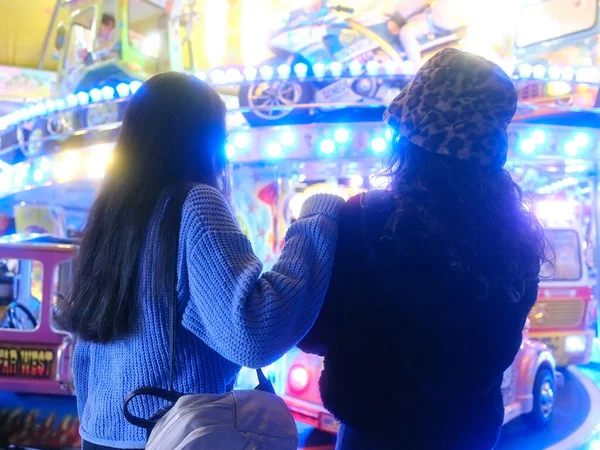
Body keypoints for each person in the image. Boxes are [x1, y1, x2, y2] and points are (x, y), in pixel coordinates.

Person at [56, 72, 343, 450]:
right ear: (204, 138)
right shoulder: (196, 203)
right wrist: (316, 220)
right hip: (175, 435)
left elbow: (88, 350)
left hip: (102, 435)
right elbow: (253, 333)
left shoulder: (113, 215)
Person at [298, 48, 547, 450]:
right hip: (470, 434)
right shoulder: (519, 238)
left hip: (373, 433)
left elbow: (312, 331)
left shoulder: (363, 217)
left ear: (409, 138)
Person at [388, 0, 470, 65]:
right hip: (430, 17)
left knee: (406, 32)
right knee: (406, 32)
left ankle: (417, 68)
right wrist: (395, 19)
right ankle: (416, 66)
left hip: (440, 21)